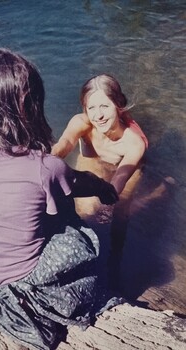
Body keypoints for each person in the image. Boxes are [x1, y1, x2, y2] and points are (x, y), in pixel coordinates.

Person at [0, 49, 120, 350]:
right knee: (80, 236)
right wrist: (103, 188)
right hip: (28, 292)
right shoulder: (43, 166)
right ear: (29, 106)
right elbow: (80, 183)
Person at [52, 74, 148, 288]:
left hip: (126, 169)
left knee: (118, 212)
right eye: (91, 108)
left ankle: (115, 259)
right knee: (85, 214)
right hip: (93, 162)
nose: (98, 115)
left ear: (118, 105)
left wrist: (107, 194)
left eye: (104, 106)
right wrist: (48, 158)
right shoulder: (82, 123)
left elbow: (121, 177)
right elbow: (65, 143)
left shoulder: (133, 143)